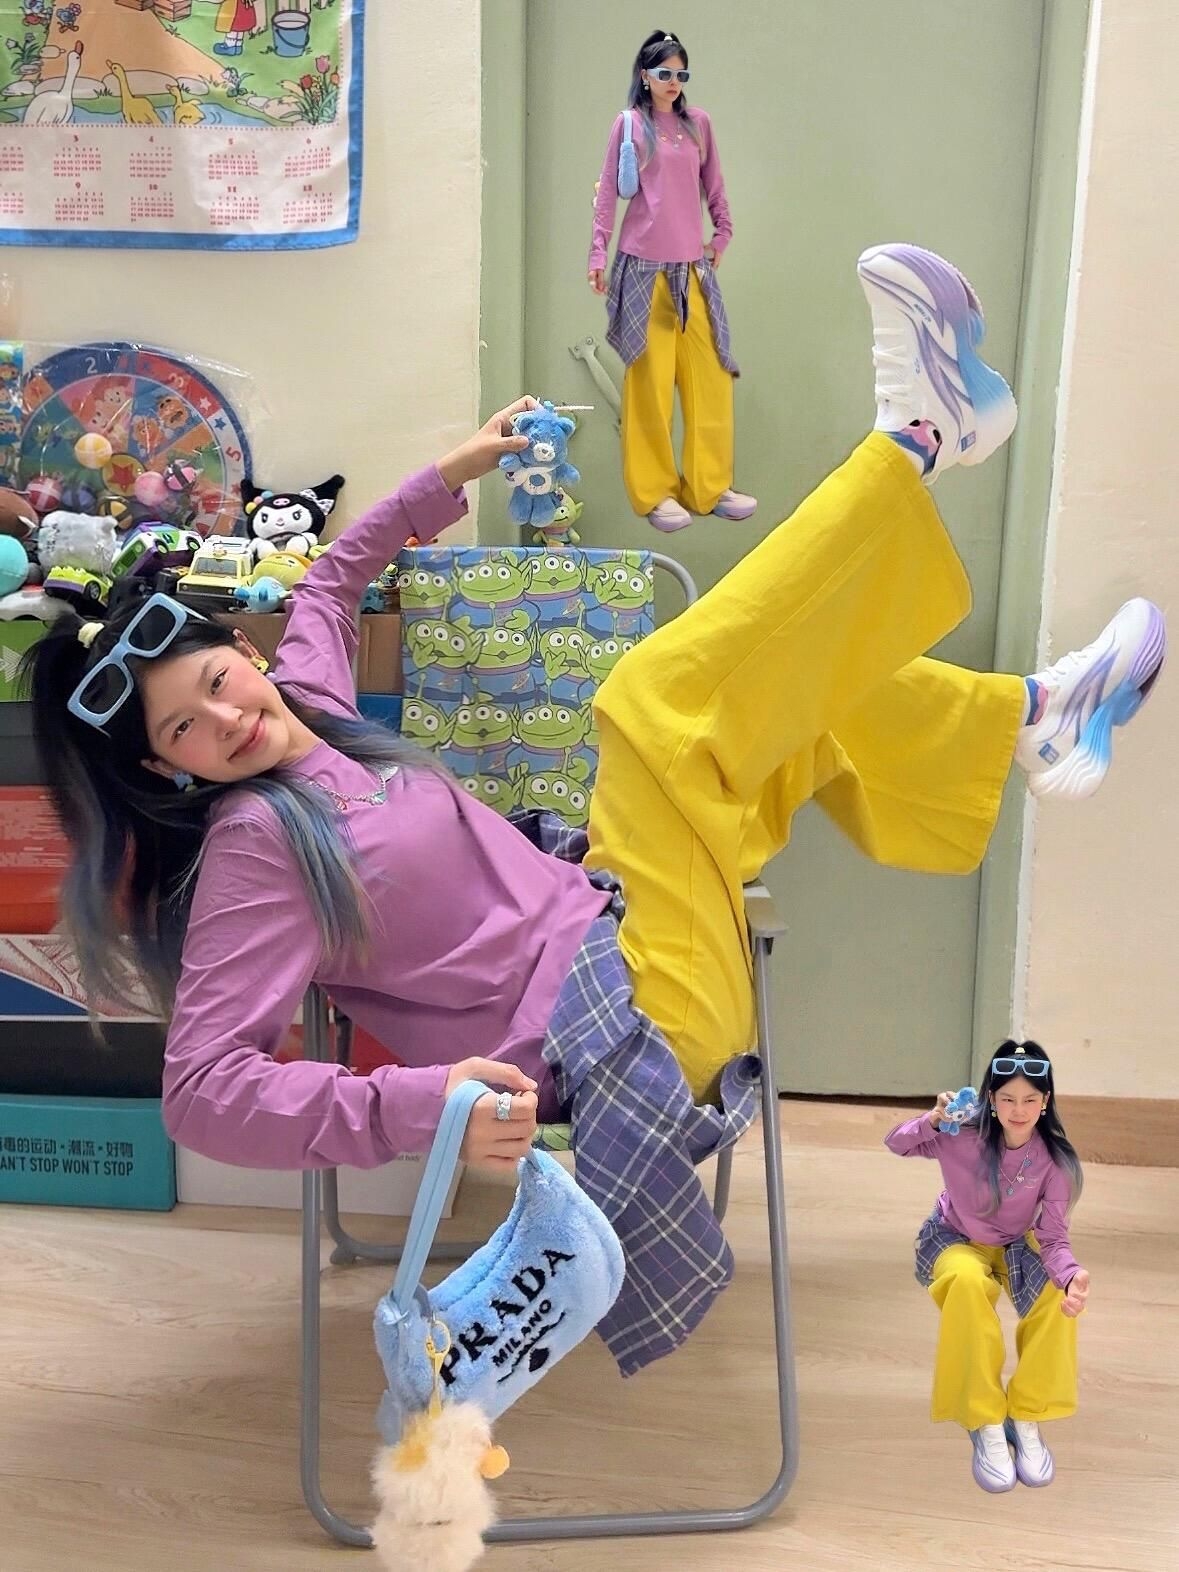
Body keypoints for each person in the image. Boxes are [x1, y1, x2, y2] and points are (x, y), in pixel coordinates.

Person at [24, 244, 1165, 1193]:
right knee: (648, 706)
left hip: (625, 913)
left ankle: (1031, 718)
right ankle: (915, 440)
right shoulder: (255, 850)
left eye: (215, 683)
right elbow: (203, 1093)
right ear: (166, 770)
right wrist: (423, 1105)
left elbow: (327, 584)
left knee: (780, 690)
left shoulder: (311, 703)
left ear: (241, 652)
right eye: (182, 731)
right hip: (626, 1033)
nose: (223, 720)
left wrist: (449, 474)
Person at [885, 1043, 1088, 1492]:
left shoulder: (1054, 1161)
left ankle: (1026, 1413)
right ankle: (984, 1417)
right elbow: (896, 1143)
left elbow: (1054, 1238)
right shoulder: (959, 1132)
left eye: (1030, 1100)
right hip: (956, 1237)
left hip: (1016, 1244)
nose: (1019, 1110)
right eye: (1008, 1098)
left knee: (1058, 1296)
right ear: (991, 1099)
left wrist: (1071, 1275)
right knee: (965, 1282)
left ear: (1045, 1102)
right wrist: (932, 1120)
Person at [588, 28, 756, 532]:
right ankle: (656, 493)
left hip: (692, 271)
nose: (674, 82)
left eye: (682, 74)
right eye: (665, 73)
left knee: (711, 379)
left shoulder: (698, 125)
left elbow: (715, 187)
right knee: (650, 386)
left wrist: (721, 236)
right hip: (642, 269)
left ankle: (710, 487)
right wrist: (597, 252)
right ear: (645, 75)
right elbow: (607, 194)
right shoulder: (630, 125)